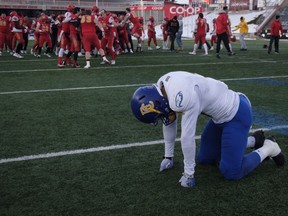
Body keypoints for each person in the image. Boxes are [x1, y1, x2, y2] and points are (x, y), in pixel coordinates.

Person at [130, 71, 285, 188]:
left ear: (156, 103)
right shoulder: (163, 86)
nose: (161, 119)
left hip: (237, 114)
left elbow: (187, 137)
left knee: (231, 171)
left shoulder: (180, 96)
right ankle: (254, 140)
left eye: (157, 116)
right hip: (219, 118)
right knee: (205, 158)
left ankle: (269, 148)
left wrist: (189, 174)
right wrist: (168, 157)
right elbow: (169, 123)